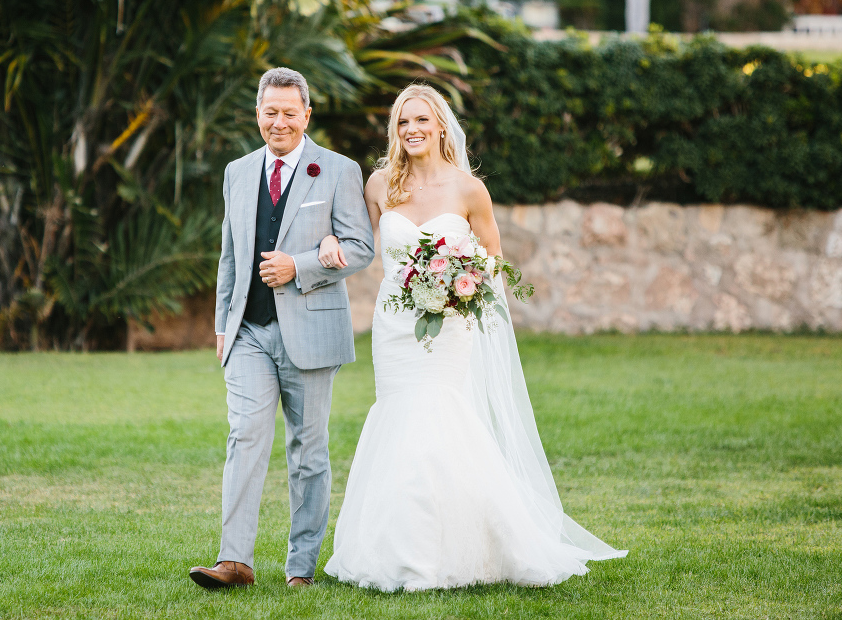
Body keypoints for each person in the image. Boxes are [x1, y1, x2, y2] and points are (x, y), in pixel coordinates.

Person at [320, 84, 627, 591]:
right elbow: (355, 239)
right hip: (395, 327)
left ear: (441, 125)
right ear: (395, 131)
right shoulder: (379, 185)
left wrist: (460, 288)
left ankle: (456, 550)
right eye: (403, 122)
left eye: (422, 120)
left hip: (449, 328)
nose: (412, 130)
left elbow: (492, 262)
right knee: (398, 419)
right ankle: (396, 549)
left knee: (439, 419)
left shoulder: (468, 190)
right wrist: (331, 240)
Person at [189, 68, 374, 590]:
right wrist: (223, 319)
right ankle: (235, 561)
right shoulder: (238, 172)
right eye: (270, 112)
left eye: (289, 112)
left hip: (311, 331)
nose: (279, 122)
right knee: (244, 436)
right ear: (257, 114)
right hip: (247, 331)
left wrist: (302, 265)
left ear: (306, 115)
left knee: (308, 451)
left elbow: (360, 248)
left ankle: (301, 566)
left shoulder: (337, 170)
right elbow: (230, 252)